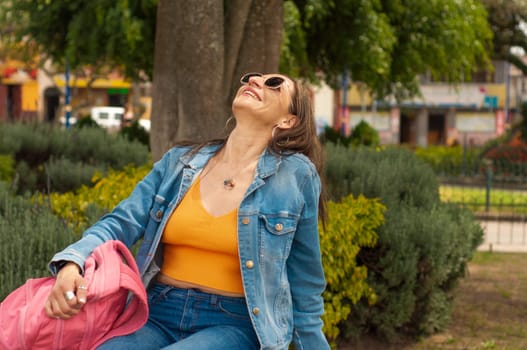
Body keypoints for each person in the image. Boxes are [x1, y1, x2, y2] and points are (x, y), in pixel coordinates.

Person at [45, 72, 330, 350]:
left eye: (274, 84)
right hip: (157, 311)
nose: (255, 81)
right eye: (251, 78)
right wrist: (73, 262)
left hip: (234, 323)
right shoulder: (180, 163)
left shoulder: (295, 176)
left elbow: (305, 283)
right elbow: (120, 222)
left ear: (288, 120)